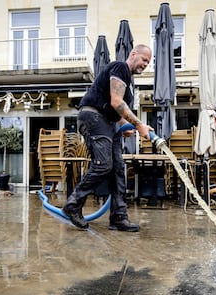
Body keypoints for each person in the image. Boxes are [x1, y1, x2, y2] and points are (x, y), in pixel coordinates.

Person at [62, 44, 154, 232]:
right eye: (144, 59)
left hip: (108, 123)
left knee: (118, 169)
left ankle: (119, 217)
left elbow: (116, 110)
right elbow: (116, 102)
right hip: (94, 117)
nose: (146, 64)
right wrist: (139, 124)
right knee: (104, 165)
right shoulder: (120, 67)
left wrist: (124, 125)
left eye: (148, 62)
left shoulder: (127, 82)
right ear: (133, 54)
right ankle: (73, 203)